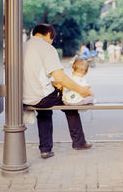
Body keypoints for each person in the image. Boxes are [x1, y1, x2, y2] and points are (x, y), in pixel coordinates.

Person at [23, 24, 93, 159]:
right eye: (52, 39)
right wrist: (83, 91)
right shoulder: (47, 48)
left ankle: (45, 150)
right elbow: (60, 77)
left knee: (44, 112)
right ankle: (79, 142)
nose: (51, 41)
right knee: (68, 101)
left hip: (24, 96)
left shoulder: (22, 47)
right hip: (41, 96)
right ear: (49, 34)